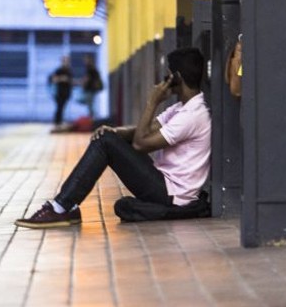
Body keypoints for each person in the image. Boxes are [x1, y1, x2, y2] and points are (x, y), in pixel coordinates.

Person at [16, 46, 210, 228]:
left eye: (168, 74)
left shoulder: (192, 115)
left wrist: (152, 102)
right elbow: (146, 129)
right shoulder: (180, 108)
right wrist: (114, 132)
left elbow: (140, 143)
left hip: (171, 195)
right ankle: (68, 206)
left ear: (176, 77)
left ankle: (61, 207)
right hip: (166, 184)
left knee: (105, 143)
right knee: (107, 138)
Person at [47, 55, 73, 131]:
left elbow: (70, 81)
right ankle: (57, 122)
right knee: (59, 107)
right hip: (59, 92)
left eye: (67, 61)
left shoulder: (69, 71)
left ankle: (60, 122)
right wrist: (62, 79)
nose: (66, 62)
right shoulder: (59, 70)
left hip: (67, 92)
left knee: (62, 108)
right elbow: (53, 79)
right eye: (65, 61)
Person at [79, 54, 103, 119]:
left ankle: (92, 118)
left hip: (90, 89)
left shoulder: (90, 68)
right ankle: (92, 117)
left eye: (86, 59)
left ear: (89, 60)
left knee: (90, 104)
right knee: (90, 103)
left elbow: (87, 78)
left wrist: (83, 83)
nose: (84, 61)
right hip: (91, 89)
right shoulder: (92, 68)